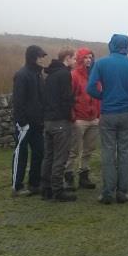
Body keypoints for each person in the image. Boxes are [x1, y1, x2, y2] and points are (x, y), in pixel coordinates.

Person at [86, 34, 128, 204]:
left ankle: (107, 192)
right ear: (126, 46)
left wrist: (103, 96)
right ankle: (123, 192)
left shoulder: (101, 63)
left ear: (111, 45)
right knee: (124, 152)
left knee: (108, 153)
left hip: (108, 113)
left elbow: (90, 87)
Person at [11, 45, 47, 197]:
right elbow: (18, 101)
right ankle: (17, 186)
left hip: (38, 122)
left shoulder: (38, 75)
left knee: (39, 151)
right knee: (21, 153)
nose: (42, 60)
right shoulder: (22, 75)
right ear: (33, 57)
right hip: (25, 124)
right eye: (40, 57)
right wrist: (22, 122)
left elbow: (41, 98)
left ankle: (34, 183)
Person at [41, 49, 77, 202]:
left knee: (48, 156)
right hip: (60, 122)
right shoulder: (64, 74)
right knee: (60, 157)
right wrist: (68, 116)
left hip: (48, 121)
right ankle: (58, 190)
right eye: (74, 58)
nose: (75, 61)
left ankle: (46, 189)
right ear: (67, 58)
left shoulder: (50, 74)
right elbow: (66, 98)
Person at [66, 48, 99, 191]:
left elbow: (99, 95)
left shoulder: (95, 76)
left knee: (88, 150)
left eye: (90, 57)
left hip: (94, 118)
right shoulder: (74, 76)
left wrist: (99, 114)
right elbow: (69, 98)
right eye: (85, 57)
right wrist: (73, 116)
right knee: (74, 150)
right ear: (80, 59)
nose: (88, 60)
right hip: (79, 118)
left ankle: (84, 176)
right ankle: (68, 177)